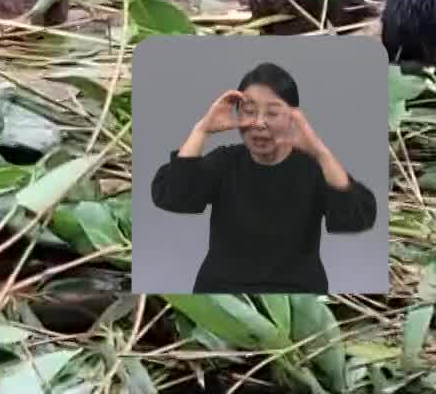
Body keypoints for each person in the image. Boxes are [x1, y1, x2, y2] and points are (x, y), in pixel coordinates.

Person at [150, 61, 379, 294]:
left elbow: (357, 218)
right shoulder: (226, 162)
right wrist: (201, 131)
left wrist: (321, 152)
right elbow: (172, 196)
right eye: (249, 112)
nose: (259, 123)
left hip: (298, 295)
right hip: (223, 295)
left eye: (272, 112)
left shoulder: (312, 168)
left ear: (294, 117)